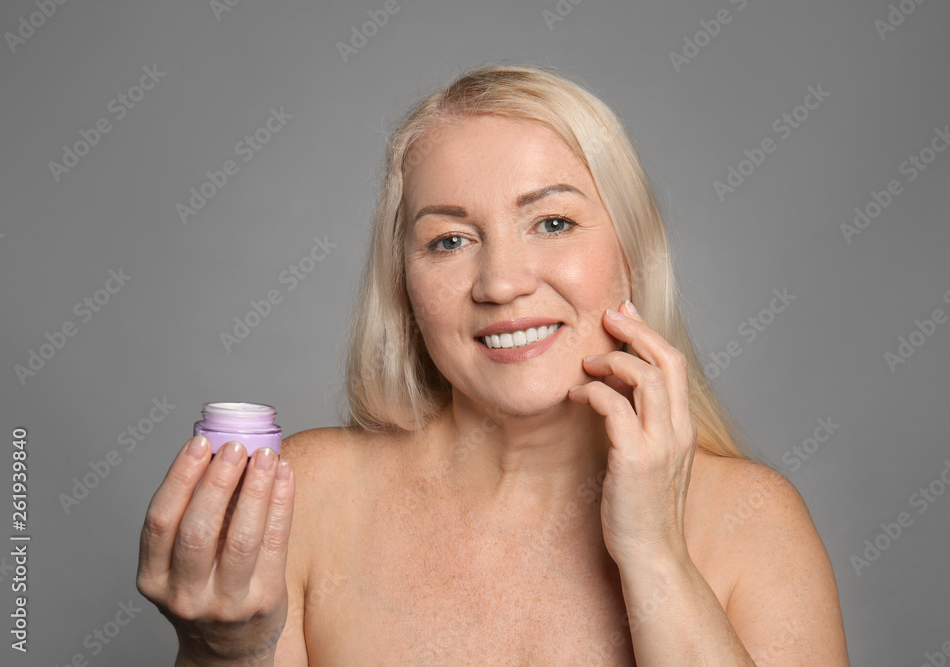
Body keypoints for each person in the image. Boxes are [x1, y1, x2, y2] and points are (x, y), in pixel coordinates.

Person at [137, 62, 850, 665]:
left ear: (632, 256)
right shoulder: (311, 496)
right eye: (449, 240)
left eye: (553, 222)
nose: (501, 282)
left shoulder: (753, 523)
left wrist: (657, 554)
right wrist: (223, 651)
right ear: (405, 285)